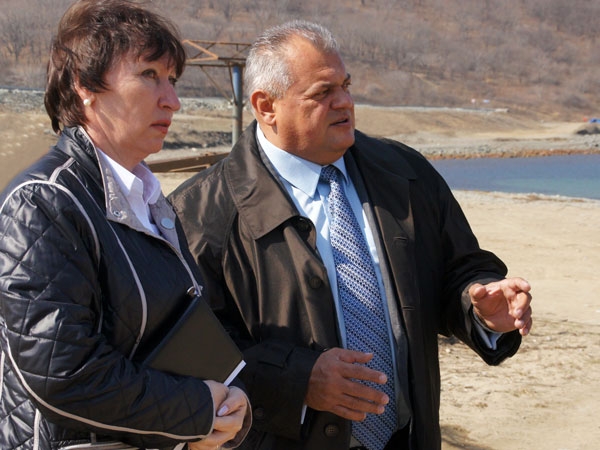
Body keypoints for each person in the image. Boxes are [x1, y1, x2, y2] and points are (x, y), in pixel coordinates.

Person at [168, 20, 532, 450]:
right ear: (266, 106)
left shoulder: (405, 172)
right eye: (323, 92)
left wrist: (480, 307)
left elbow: (458, 270)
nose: (345, 102)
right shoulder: (198, 213)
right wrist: (297, 380)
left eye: (346, 85)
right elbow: (191, 351)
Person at [0, 1, 251, 449]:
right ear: (84, 85)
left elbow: (187, 329)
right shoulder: (43, 202)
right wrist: (196, 410)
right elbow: (62, 374)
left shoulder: (151, 201)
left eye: (172, 80)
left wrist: (232, 406)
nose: (172, 100)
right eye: (149, 75)